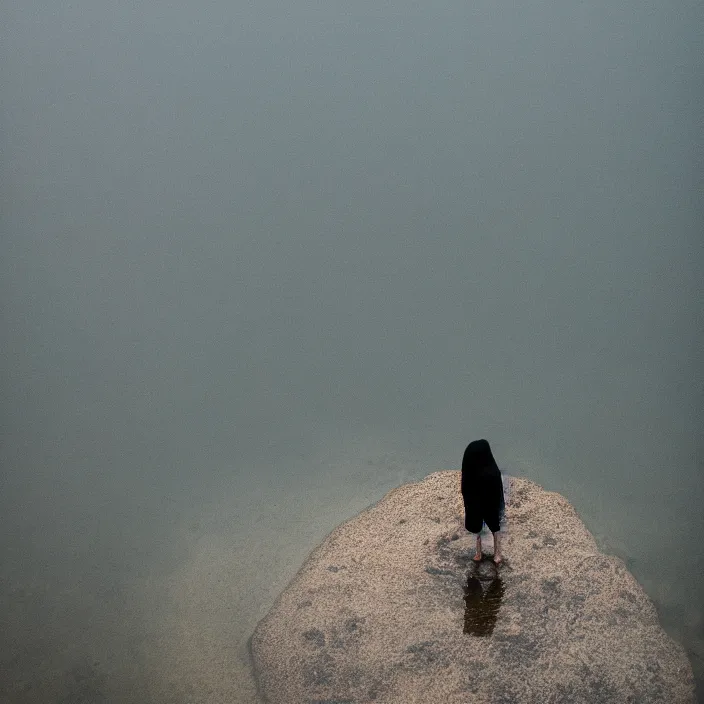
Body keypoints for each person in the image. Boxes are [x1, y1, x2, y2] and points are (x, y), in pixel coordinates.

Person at [461, 439, 506, 564]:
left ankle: (497, 552)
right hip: (476, 502)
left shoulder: (493, 472)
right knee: (478, 529)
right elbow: (466, 488)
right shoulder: (471, 473)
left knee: (494, 527)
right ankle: (479, 552)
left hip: (490, 502)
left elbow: (497, 491)